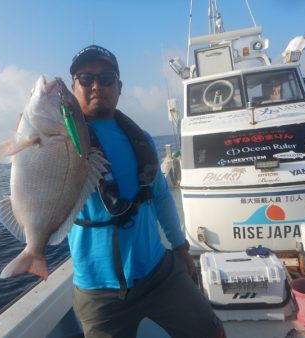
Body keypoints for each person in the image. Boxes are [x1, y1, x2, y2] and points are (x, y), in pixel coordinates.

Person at [67, 45, 226, 338]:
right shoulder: (60, 138)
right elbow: (32, 165)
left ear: (120, 86)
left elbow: (161, 194)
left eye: (106, 77)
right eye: (86, 78)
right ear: (73, 87)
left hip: (157, 271)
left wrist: (179, 247)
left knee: (212, 333)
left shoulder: (141, 139)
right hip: (96, 289)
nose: (96, 85)